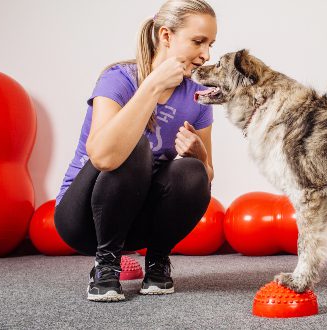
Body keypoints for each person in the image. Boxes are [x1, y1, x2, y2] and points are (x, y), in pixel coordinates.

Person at [54, 0, 217, 302]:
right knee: (133, 146)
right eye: (198, 42)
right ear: (166, 36)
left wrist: (200, 157)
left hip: (138, 222)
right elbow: (103, 156)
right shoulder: (119, 78)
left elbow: (206, 177)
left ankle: (157, 262)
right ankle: (105, 265)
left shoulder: (196, 96)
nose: (206, 55)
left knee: (192, 170)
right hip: (83, 219)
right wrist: (152, 87)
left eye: (210, 44)